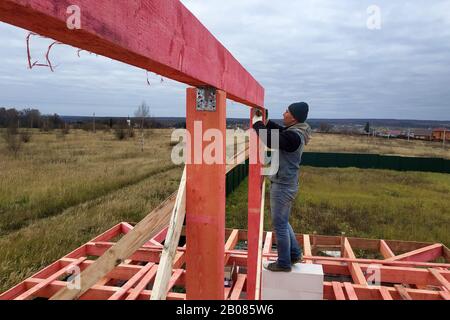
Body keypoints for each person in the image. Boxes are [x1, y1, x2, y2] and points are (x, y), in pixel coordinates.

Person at [252, 102, 312, 272]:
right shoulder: (296, 131)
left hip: (283, 186)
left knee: (279, 225)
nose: (284, 113)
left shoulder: (294, 137)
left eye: (287, 111)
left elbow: (270, 138)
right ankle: (294, 254)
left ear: (293, 117)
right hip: (288, 183)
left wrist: (257, 124)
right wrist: (266, 120)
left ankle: (284, 262)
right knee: (283, 222)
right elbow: (280, 131)